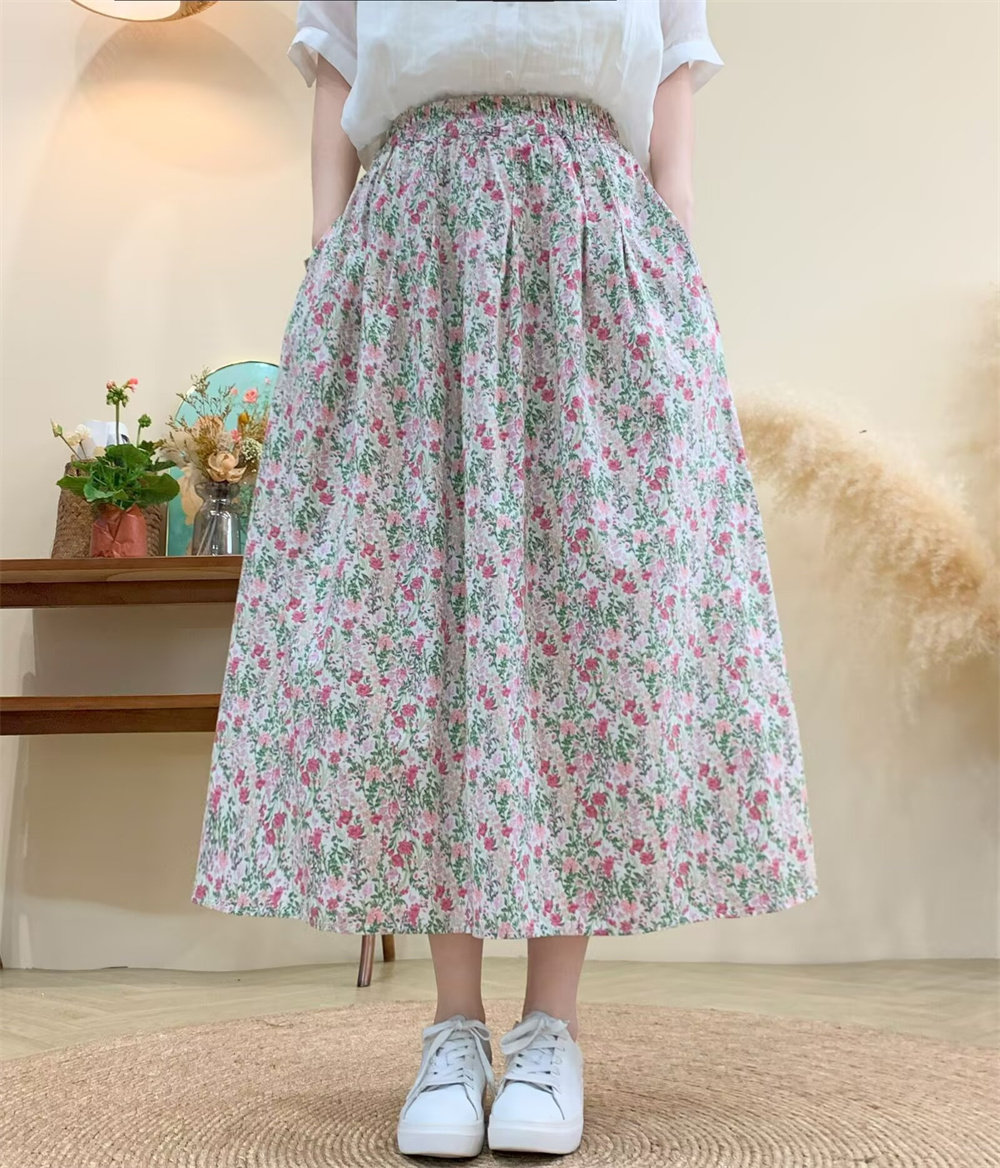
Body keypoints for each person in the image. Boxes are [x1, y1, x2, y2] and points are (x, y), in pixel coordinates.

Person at [191, 0, 820, 1158]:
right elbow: (335, 73)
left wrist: (670, 261)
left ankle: (548, 1030)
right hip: (410, 260)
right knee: (424, 629)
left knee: (586, 633)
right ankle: (452, 1028)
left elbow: (670, 89)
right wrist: (328, 258)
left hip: (591, 256)